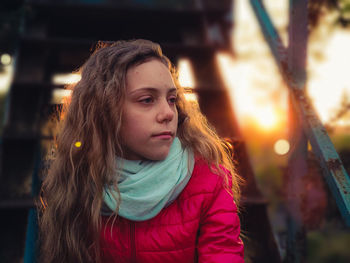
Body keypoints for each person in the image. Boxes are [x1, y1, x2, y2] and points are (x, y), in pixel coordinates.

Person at [38, 39, 244, 263]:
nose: (168, 113)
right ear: (105, 111)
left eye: (172, 99)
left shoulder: (208, 181)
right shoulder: (78, 180)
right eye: (147, 100)